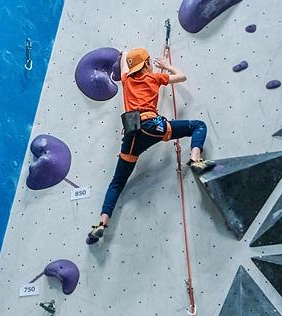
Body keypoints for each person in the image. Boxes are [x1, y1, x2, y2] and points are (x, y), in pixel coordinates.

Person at [87, 48, 215, 245]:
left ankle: (102, 223)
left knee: (117, 182)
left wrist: (124, 53)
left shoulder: (127, 81)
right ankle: (196, 158)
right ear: (147, 64)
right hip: (154, 127)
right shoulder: (155, 78)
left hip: (132, 136)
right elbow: (182, 77)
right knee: (198, 126)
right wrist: (165, 66)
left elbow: (123, 63)